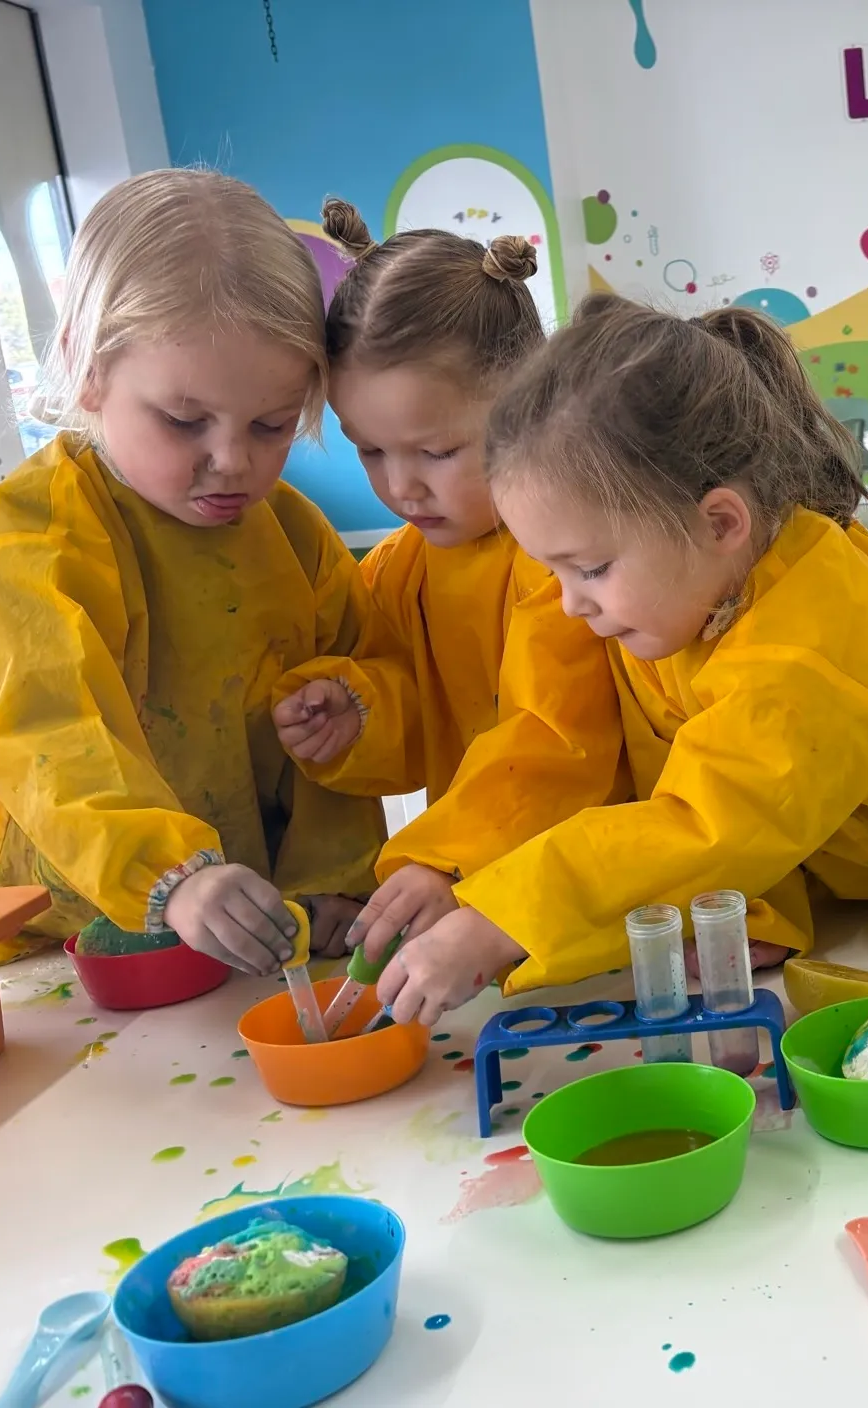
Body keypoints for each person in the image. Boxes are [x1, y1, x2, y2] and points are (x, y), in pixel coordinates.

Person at [375, 294, 868, 1025]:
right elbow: (704, 768)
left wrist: (497, 921)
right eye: (554, 571)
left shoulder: (821, 634)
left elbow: (714, 821)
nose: (569, 604)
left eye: (589, 569)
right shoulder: (679, 587)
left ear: (720, 521)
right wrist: (757, 906)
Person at [0, 169, 385, 970]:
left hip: (231, 908)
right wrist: (165, 873)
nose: (232, 462)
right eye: (183, 420)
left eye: (272, 425)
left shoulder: (298, 538)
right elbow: (46, 730)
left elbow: (332, 733)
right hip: (44, 917)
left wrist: (329, 881)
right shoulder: (39, 532)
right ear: (86, 367)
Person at [272, 200, 623, 965]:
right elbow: (424, 714)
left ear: (530, 405)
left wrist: (447, 854)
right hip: (481, 892)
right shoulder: (399, 567)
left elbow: (555, 740)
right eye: (369, 452)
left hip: (593, 891)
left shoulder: (558, 557)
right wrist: (356, 713)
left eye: (435, 452)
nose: (401, 488)